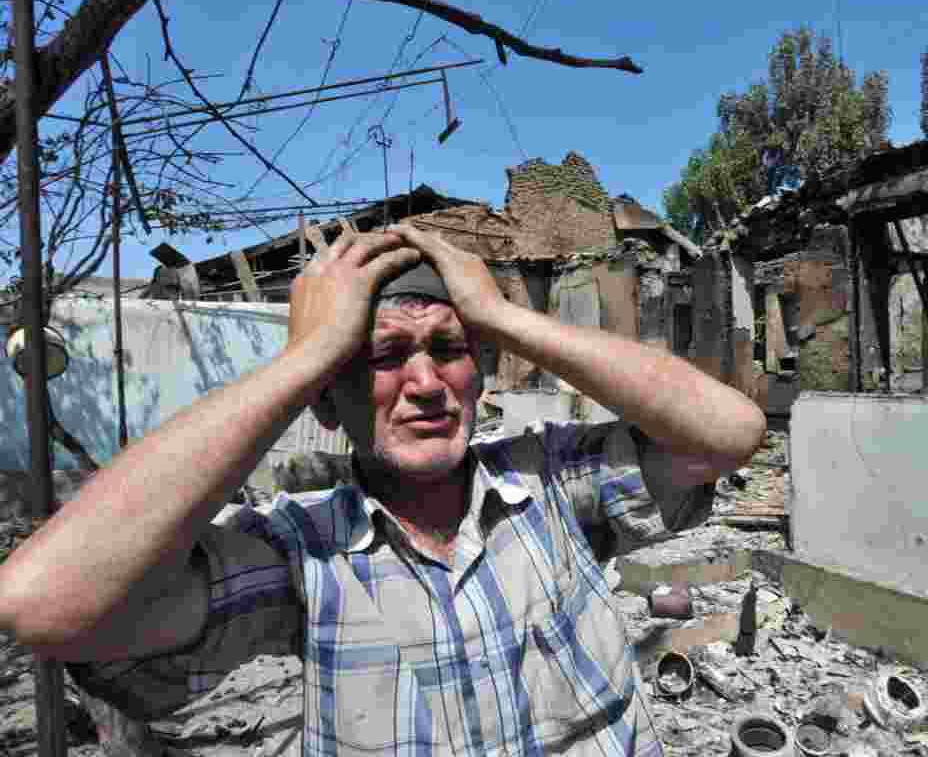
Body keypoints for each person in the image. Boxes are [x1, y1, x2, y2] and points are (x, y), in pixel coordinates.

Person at [0, 225, 766, 756]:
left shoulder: (553, 487)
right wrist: (302, 360)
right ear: (329, 404)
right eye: (385, 356)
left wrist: (500, 315)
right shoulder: (302, 556)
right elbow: (40, 603)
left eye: (450, 350)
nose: (426, 383)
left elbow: (729, 431)